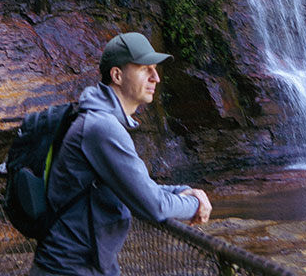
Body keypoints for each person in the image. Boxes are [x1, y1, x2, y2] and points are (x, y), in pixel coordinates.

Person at [30, 31, 212, 276]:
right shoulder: (102, 127)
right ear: (117, 75)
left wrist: (181, 191)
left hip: (83, 266)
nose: (156, 77)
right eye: (145, 69)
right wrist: (194, 204)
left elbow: (139, 188)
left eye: (155, 69)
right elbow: (152, 206)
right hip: (71, 269)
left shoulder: (99, 120)